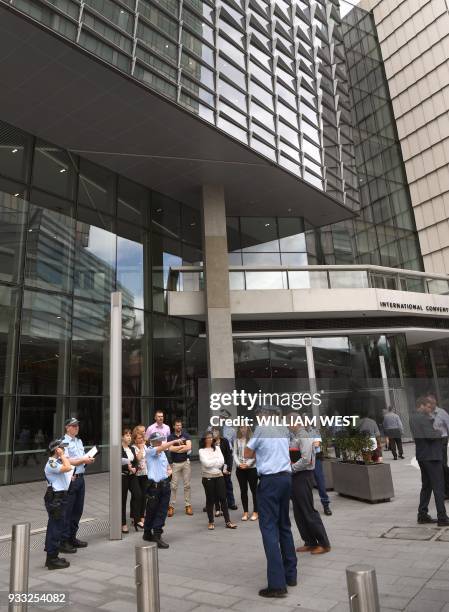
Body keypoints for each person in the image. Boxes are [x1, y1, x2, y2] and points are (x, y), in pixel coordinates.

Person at [244, 406, 297, 598]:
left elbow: (247, 453)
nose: (257, 419)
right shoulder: (283, 428)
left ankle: (277, 584)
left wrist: (260, 453)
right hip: (285, 478)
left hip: (270, 481)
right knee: (284, 526)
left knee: (269, 529)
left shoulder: (261, 429)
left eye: (258, 416)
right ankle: (291, 575)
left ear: (264, 416)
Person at [289, 417, 331, 555]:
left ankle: (324, 543)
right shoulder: (296, 436)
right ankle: (309, 541)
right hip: (296, 477)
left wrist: (291, 468)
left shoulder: (304, 436)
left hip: (303, 476)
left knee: (307, 510)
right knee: (299, 512)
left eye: (288, 422)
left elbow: (307, 459)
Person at [411, 396, 449, 526]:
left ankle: (422, 515)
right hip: (432, 456)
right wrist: (439, 433)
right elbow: (431, 436)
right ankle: (442, 518)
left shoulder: (413, 417)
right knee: (438, 487)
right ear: (421, 405)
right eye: (428, 406)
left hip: (422, 456)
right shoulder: (422, 417)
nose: (430, 409)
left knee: (426, 486)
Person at [60, 418, 95, 553]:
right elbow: (67, 460)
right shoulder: (64, 442)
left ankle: (71, 537)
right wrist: (83, 459)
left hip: (80, 478)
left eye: (77, 426)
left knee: (77, 511)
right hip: (71, 479)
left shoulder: (79, 441)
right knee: (67, 511)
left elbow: (81, 459)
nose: (76, 428)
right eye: (73, 426)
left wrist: (87, 460)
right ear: (67, 427)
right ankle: (63, 541)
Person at [142, 431, 182, 548]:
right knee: (152, 510)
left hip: (164, 484)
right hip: (154, 486)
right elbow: (163, 447)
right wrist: (173, 441)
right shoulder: (150, 451)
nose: (160, 442)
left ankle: (155, 533)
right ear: (152, 441)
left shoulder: (162, 452)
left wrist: (169, 471)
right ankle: (150, 533)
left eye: (161, 440)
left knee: (162, 510)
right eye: (158, 440)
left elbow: (167, 466)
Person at [198, 430, 237, 530]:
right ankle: (211, 522)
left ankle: (228, 521)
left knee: (223, 498)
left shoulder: (218, 448)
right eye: (208, 437)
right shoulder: (201, 451)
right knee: (210, 500)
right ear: (204, 439)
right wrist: (215, 461)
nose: (210, 439)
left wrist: (212, 461)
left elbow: (222, 461)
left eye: (211, 437)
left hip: (219, 476)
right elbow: (206, 464)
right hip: (208, 477)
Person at [44, 438, 73, 570]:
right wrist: (62, 456)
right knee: (55, 528)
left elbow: (65, 472)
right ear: (57, 450)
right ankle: (51, 559)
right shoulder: (52, 463)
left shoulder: (56, 462)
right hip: (56, 498)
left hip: (60, 497)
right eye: (62, 448)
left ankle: (53, 555)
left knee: (57, 526)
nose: (64, 450)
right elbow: (68, 467)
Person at [167, 418, 193, 517]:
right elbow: (170, 448)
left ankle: (188, 505)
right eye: (177, 425)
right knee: (173, 486)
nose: (179, 427)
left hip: (185, 463)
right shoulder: (170, 437)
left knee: (187, 485)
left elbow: (189, 447)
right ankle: (171, 506)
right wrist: (182, 448)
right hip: (175, 464)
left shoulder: (186, 435)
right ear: (174, 426)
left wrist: (176, 449)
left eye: (180, 425)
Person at [233, 425, 258, 521]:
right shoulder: (236, 440)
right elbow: (234, 453)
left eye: (245, 427)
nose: (243, 429)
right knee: (243, 491)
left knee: (254, 491)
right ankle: (245, 512)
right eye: (241, 427)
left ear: (248, 428)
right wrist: (239, 464)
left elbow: (255, 454)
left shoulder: (252, 440)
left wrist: (247, 464)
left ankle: (256, 511)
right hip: (240, 469)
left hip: (251, 468)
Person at [427, 393, 449, 498]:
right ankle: (442, 490)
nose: (429, 405)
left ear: (435, 402)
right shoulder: (428, 414)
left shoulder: (442, 412)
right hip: (432, 442)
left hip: (442, 440)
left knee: (443, 465)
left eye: (430, 403)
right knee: (437, 467)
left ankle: (447, 490)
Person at [121, 428, 142, 533]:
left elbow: (136, 462)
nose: (129, 437)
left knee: (138, 495)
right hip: (123, 476)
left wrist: (135, 469)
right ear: (121, 437)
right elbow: (117, 463)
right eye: (126, 435)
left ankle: (136, 518)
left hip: (132, 475)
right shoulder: (119, 449)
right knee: (122, 499)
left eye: (130, 435)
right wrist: (127, 467)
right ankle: (123, 523)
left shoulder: (132, 449)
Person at [212, 426, 237, 511]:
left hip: (224, 466)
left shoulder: (224, 441)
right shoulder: (211, 442)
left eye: (216, 431)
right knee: (214, 486)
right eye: (213, 431)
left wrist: (228, 468)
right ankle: (214, 504)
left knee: (227, 484)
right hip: (214, 467)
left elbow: (228, 456)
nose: (215, 432)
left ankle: (231, 502)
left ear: (220, 432)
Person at [309, 428, 332, 516]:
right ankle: (309, 507)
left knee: (320, 481)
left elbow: (317, 444)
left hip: (315, 458)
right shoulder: (299, 432)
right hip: (304, 459)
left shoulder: (315, 431)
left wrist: (304, 446)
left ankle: (326, 505)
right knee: (307, 483)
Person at [132, 427, 148, 529]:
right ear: (135, 439)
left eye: (142, 438)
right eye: (138, 438)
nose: (141, 440)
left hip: (145, 473)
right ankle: (136, 518)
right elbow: (138, 458)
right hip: (137, 475)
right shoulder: (133, 448)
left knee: (144, 496)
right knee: (137, 496)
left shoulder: (145, 446)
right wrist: (142, 447)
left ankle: (142, 516)